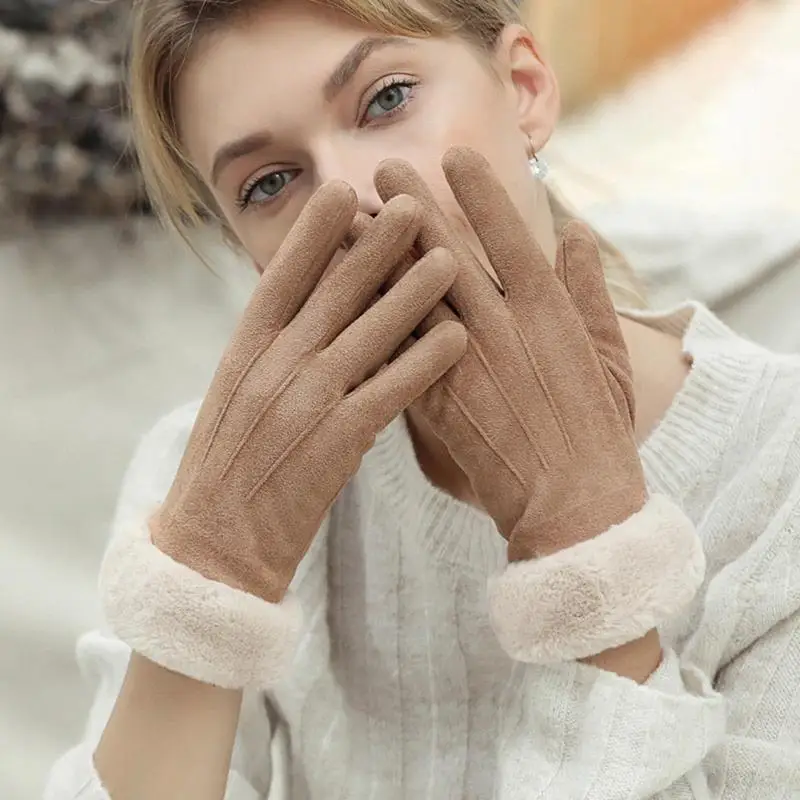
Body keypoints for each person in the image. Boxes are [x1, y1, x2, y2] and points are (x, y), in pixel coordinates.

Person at [45, 0, 800, 797]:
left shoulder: (779, 464)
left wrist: (592, 553)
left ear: (525, 88)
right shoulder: (192, 479)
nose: (353, 198)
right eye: (269, 183)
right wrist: (208, 581)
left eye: (386, 99)